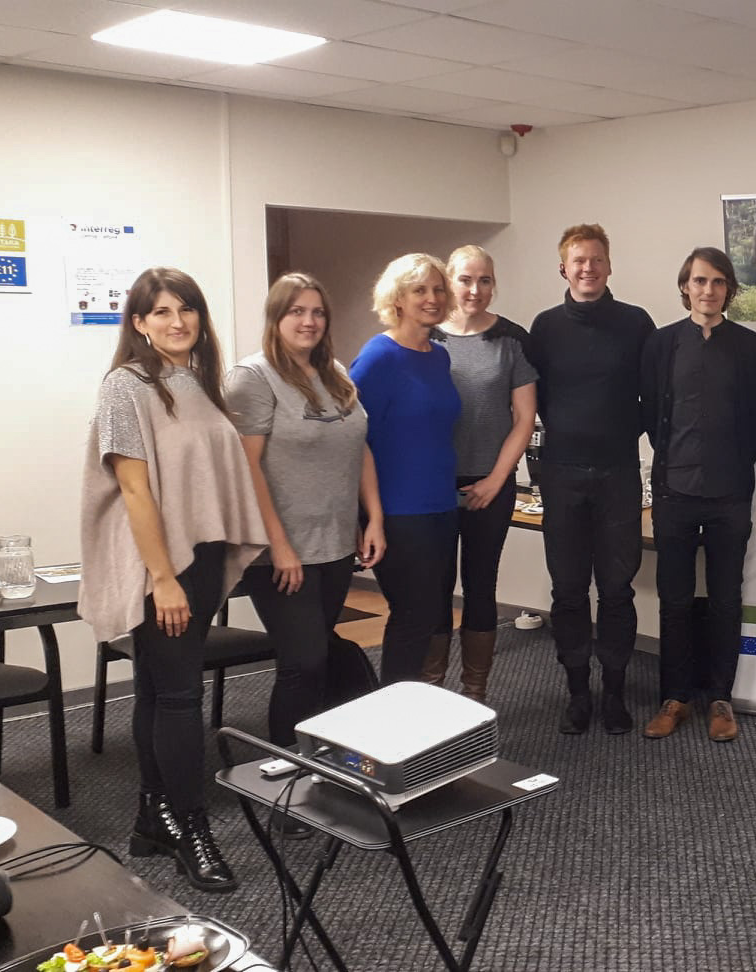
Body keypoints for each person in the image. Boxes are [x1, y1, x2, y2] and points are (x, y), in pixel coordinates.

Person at [79, 267, 267, 892]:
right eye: (161, 311)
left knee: (158, 691)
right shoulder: (126, 386)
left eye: (186, 308)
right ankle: (192, 831)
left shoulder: (198, 383)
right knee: (182, 697)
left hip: (202, 555)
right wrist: (162, 577)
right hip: (162, 563)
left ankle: (152, 818)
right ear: (138, 323)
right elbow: (134, 490)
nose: (177, 321)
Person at [225, 272, 385, 752]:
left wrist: (372, 518)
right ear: (276, 317)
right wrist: (279, 547)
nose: (308, 321)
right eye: (296, 311)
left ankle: (321, 756)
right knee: (303, 662)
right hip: (280, 549)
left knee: (319, 656)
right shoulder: (252, 378)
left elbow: (358, 447)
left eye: (317, 312)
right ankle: (285, 770)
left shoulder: (334, 373)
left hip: (334, 543)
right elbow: (246, 467)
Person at [639, 247, 756, 743]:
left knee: (724, 599)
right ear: (685, 286)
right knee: (675, 600)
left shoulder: (749, 345)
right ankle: (674, 698)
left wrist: (733, 462)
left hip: (729, 494)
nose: (708, 290)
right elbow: (650, 412)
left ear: (729, 290)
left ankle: (720, 698)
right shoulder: (661, 344)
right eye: (699, 281)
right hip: (674, 491)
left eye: (718, 282)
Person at [526, 224, 655, 735]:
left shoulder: (636, 323)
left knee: (618, 590)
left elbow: (653, 396)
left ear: (608, 266)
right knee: (569, 591)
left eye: (596, 259)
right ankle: (578, 694)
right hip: (562, 476)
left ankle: (615, 694)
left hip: (619, 474)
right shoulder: (545, 327)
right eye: (579, 260)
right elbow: (532, 398)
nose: (588, 268)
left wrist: (620, 432)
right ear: (564, 268)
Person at [349, 254, 461, 686]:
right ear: (397, 299)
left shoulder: (438, 357)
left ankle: (414, 705)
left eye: (438, 289)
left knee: (432, 616)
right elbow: (352, 438)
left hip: (440, 506)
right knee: (413, 616)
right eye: (419, 290)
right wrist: (370, 518)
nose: (432, 298)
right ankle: (391, 711)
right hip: (397, 511)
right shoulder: (378, 357)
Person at [431, 245, 537, 702]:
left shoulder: (512, 340)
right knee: (434, 587)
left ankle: (474, 692)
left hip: (490, 485)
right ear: (449, 281)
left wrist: (496, 480)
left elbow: (524, 419)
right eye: (465, 279)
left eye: (485, 280)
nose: (475, 290)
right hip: (432, 487)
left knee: (480, 585)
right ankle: (431, 693)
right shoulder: (425, 336)